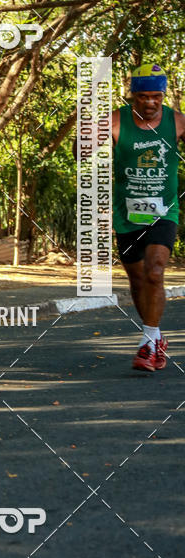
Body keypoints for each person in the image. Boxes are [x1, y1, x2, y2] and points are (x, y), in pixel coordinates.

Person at [112, 64, 184, 370]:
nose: (151, 102)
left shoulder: (177, 121)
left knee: (155, 272)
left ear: (163, 95)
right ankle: (154, 338)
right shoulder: (115, 122)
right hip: (126, 215)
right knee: (138, 280)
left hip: (164, 211)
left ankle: (148, 343)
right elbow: (81, 154)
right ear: (133, 96)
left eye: (156, 96)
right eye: (143, 97)